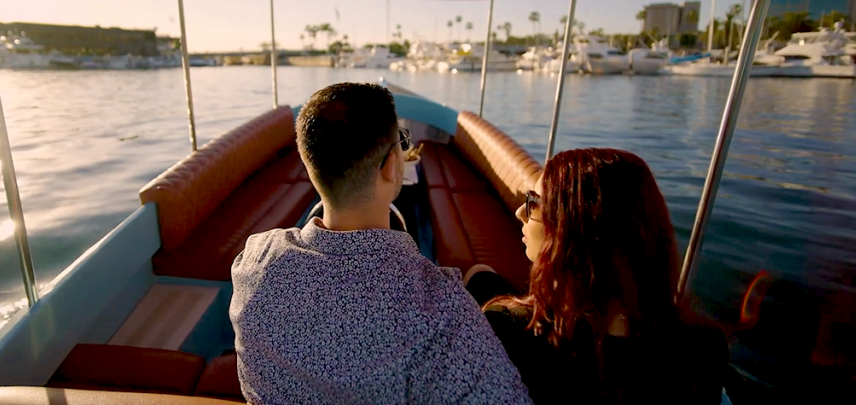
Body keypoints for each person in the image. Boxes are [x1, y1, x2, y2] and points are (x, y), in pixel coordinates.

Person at [230, 83, 532, 405]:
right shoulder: (443, 310)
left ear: (309, 163)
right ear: (391, 166)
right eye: (402, 143)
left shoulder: (253, 262)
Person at [468, 148, 727, 404]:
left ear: (570, 232)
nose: (521, 213)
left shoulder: (508, 331)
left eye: (534, 203)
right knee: (483, 276)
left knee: (478, 277)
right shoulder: (705, 346)